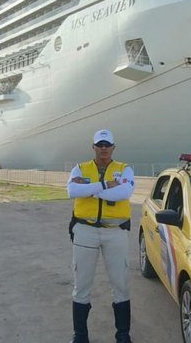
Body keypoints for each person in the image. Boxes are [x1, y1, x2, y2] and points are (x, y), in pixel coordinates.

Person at [67, 129, 135, 343]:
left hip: (115, 232)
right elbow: (71, 191)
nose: (103, 148)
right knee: (82, 283)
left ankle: (123, 335)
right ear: (93, 147)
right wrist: (105, 185)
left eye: (107, 145)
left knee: (120, 283)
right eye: (100, 144)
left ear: (113, 147)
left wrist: (87, 189)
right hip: (85, 231)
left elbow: (124, 193)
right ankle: (80, 336)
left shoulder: (125, 169)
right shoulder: (79, 167)